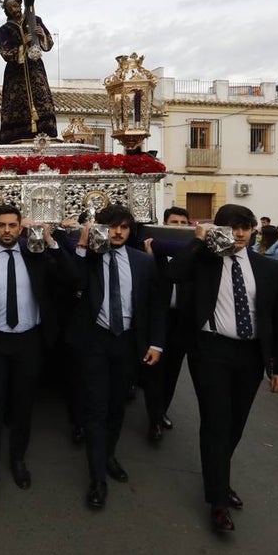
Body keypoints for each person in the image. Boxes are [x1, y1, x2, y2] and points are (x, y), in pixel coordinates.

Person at [168, 204, 278, 533]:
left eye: (245, 227)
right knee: (215, 421)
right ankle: (218, 502)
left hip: (250, 355)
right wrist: (198, 241)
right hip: (210, 351)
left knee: (235, 423)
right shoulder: (205, 262)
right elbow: (173, 273)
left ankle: (218, 481)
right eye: (231, 228)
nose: (238, 234)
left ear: (253, 230)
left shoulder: (268, 269)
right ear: (219, 230)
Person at [0, 204, 74, 505]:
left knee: (23, 408)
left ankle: (18, 461)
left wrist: (51, 241)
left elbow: (71, 277)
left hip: (29, 343)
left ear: (20, 228)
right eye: (2, 225)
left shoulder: (36, 256)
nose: (8, 230)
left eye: (14, 225)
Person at [70, 206, 164, 510]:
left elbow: (155, 306)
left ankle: (108, 455)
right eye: (113, 227)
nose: (119, 232)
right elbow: (73, 283)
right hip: (95, 341)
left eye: (124, 227)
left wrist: (156, 344)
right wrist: (83, 246)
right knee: (96, 408)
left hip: (127, 342)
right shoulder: (91, 258)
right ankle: (97, 477)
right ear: (102, 228)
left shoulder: (142, 262)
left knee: (117, 406)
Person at [142, 206, 193, 442]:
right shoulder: (154, 250)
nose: (180, 227)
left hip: (181, 322)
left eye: (184, 223)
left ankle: (162, 411)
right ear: (165, 224)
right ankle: (154, 419)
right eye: (174, 222)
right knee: (154, 371)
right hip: (156, 320)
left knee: (172, 372)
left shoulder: (192, 254)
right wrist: (150, 258)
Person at [0, 0, 56, 144]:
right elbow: (5, 53)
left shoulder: (35, 20)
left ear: (20, 4)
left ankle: (46, 132)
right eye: (10, 8)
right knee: (16, 103)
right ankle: (15, 136)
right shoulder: (4, 29)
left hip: (35, 68)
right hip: (15, 74)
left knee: (41, 95)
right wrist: (23, 43)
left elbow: (49, 44)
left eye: (15, 5)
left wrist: (42, 35)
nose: (14, 9)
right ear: (6, 11)